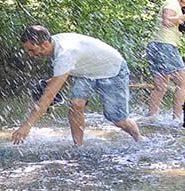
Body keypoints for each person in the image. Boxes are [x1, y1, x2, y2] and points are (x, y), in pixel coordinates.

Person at [12, 25, 143, 146]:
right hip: (87, 72)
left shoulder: (65, 53)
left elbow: (49, 96)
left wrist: (26, 126)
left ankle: (139, 139)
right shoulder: (55, 44)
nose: (30, 54)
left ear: (45, 44)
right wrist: (49, 83)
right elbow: (64, 73)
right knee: (76, 105)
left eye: (32, 50)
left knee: (117, 119)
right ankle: (78, 147)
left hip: (112, 69)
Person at [146, 0, 185, 120]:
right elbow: (167, 21)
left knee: (161, 86)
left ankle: (152, 117)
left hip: (156, 45)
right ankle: (177, 118)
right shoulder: (172, 3)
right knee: (183, 80)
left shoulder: (174, 5)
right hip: (165, 45)